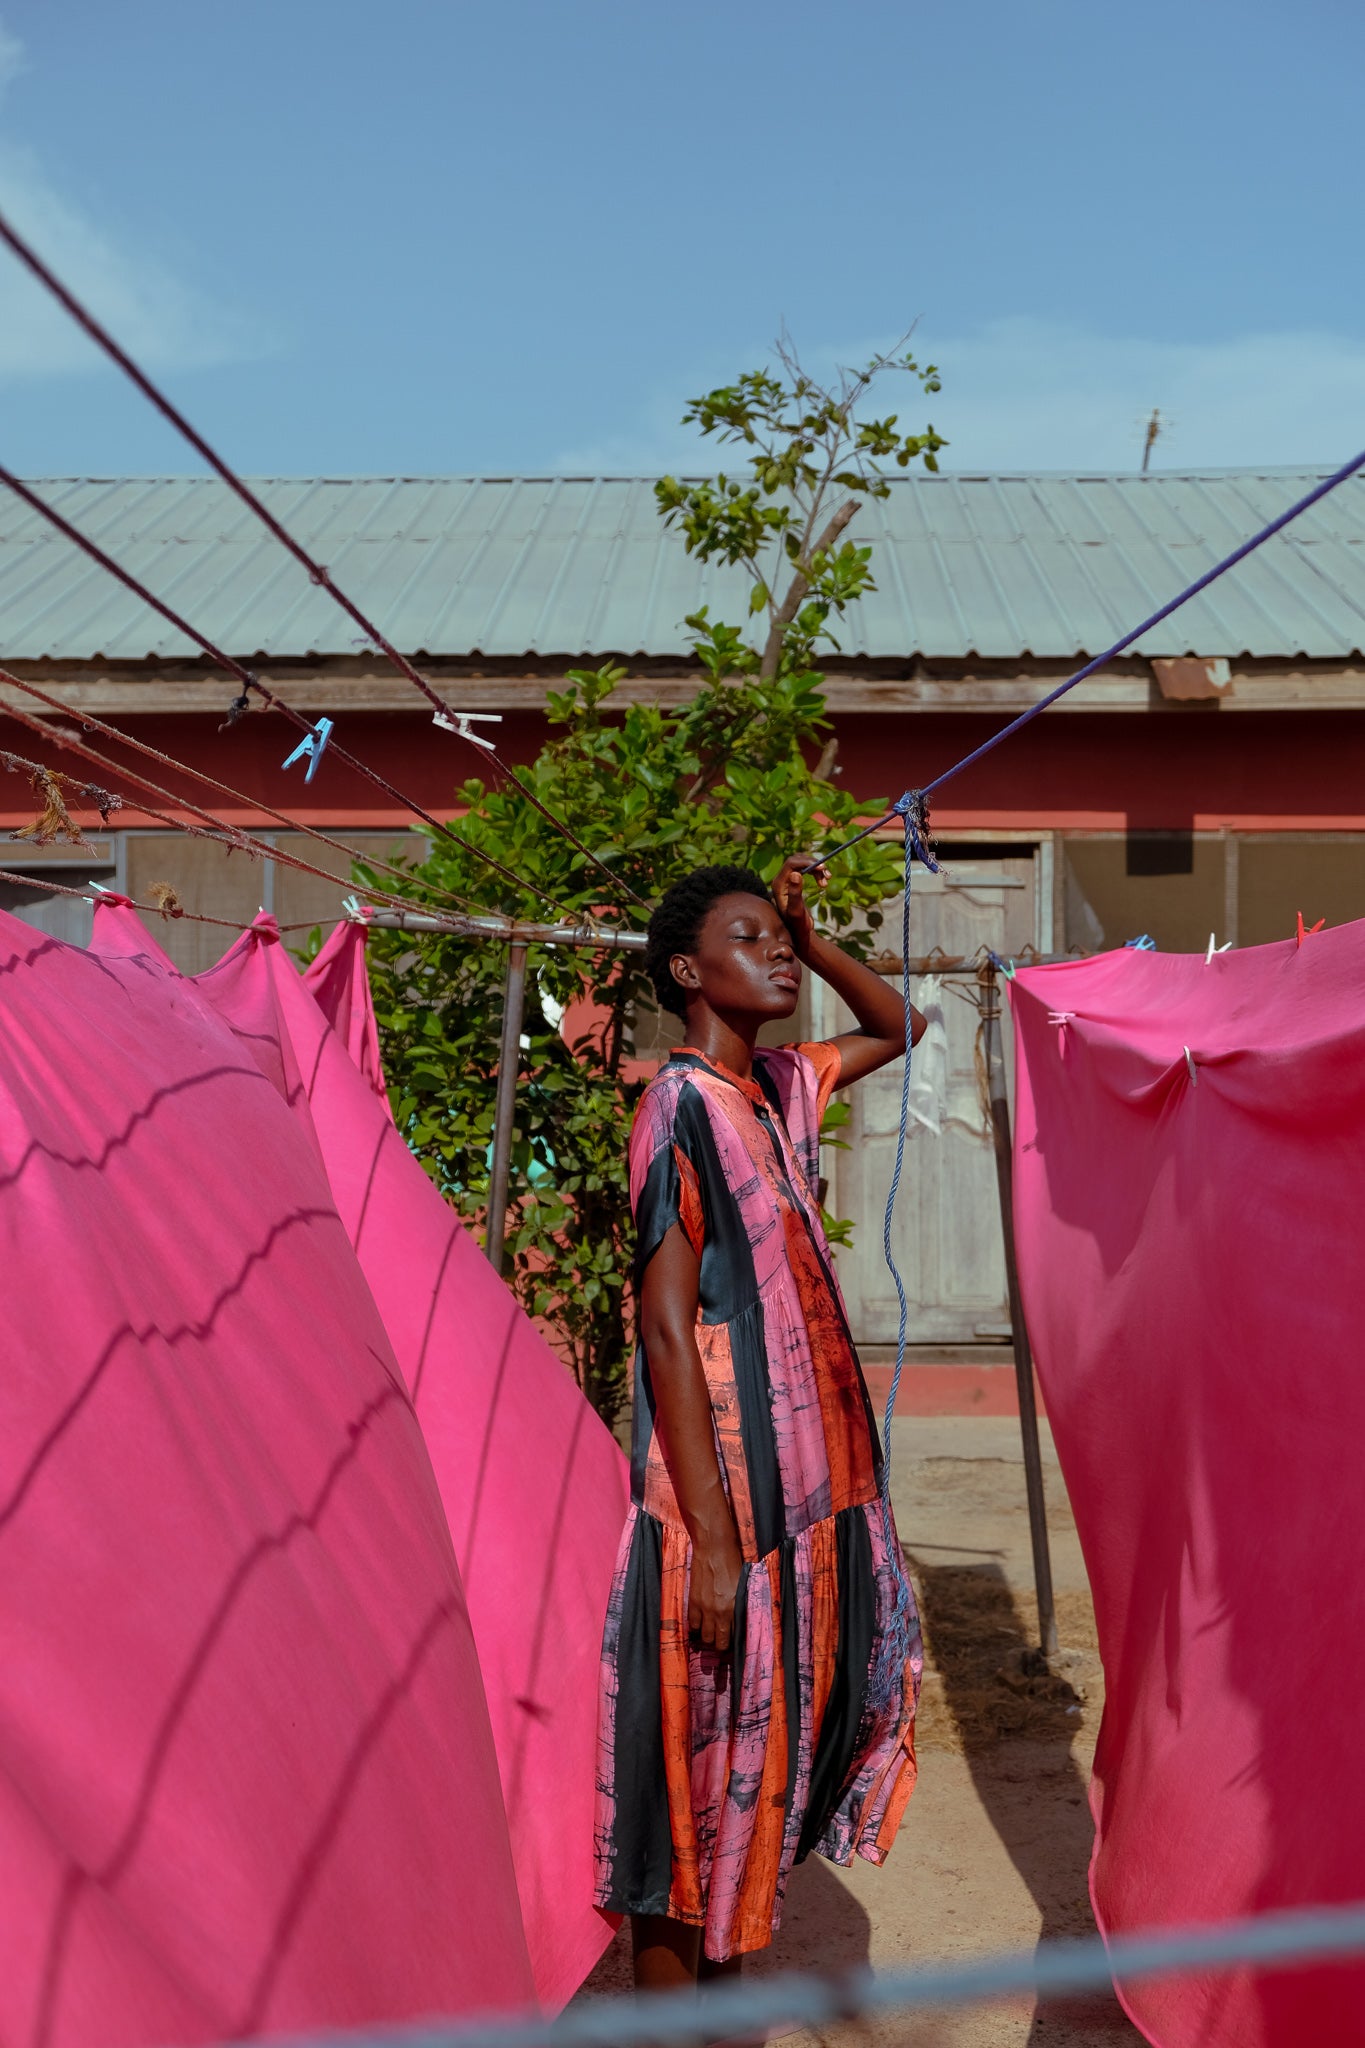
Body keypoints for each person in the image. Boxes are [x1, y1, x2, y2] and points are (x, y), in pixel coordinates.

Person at [593, 854, 927, 1990]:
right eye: (752, 937)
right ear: (689, 970)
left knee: (750, 1798)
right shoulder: (677, 1107)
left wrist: (815, 933)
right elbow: (668, 1328)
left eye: (779, 937)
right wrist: (720, 1544)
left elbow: (900, 1021)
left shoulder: (778, 1087)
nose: (777, 953)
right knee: (686, 1817)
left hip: (804, 1510)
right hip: (721, 1517)